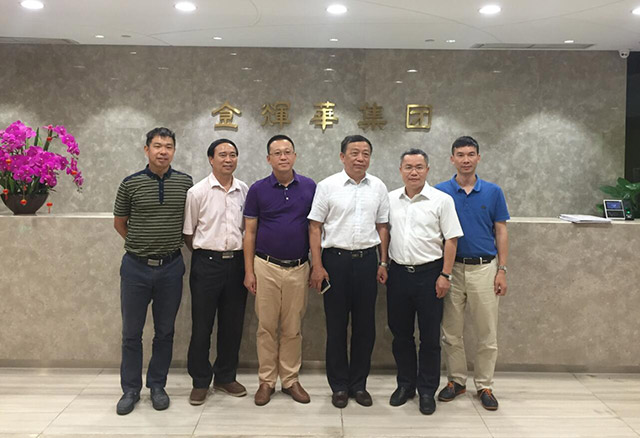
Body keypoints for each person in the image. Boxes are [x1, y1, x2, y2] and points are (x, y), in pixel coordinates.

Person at [113, 127, 193, 415]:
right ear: (146, 149)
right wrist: (141, 246)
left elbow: (190, 221)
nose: (163, 151)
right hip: (135, 268)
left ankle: (157, 385)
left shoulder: (185, 183)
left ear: (174, 151)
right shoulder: (130, 183)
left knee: (165, 331)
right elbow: (119, 222)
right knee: (131, 333)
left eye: (168, 146)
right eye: (157, 146)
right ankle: (130, 390)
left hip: (171, 267)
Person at [308, 134, 390, 409]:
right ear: (342, 156)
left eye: (365, 153)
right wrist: (317, 265)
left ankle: (359, 384)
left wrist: (383, 262)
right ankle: (339, 386)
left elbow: (382, 227)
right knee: (336, 326)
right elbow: (315, 227)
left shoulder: (378, 187)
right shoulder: (327, 186)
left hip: (367, 262)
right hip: (335, 262)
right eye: (354, 153)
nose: (360, 158)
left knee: (365, 327)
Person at [384, 148, 462, 415]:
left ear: (427, 170)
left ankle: (427, 390)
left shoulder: (442, 200)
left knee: (430, 337)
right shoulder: (390, 199)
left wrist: (445, 275)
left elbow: (451, 239)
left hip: (431, 275)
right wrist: (383, 264)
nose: (414, 172)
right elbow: (384, 233)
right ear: (400, 170)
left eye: (419, 167)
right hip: (398, 274)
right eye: (408, 167)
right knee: (401, 335)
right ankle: (405, 385)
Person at [435, 135, 510, 411]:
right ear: (452, 159)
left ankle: (484, 385)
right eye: (460, 155)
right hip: (451, 270)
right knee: (451, 331)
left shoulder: (493, 192)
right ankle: (456, 381)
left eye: (470, 154)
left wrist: (502, 270)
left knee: (486, 331)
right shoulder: (440, 192)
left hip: (484, 268)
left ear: (478, 157)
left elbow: (501, 231)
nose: (465, 160)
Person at [243, 135, 317, 406]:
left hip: (298, 267)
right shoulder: (258, 189)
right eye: (277, 153)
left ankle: (290, 379)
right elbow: (250, 232)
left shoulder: (309, 187)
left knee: (292, 327)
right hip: (265, 266)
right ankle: (266, 381)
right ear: (268, 159)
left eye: (287, 152)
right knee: (266, 327)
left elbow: (315, 229)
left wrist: (316, 265)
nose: (283, 157)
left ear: (295, 156)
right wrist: (249, 271)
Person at [182, 139, 249, 406]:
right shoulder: (197, 192)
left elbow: (248, 230)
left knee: (233, 325)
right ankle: (200, 381)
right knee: (202, 325)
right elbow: (189, 234)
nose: (228, 159)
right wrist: (209, 254)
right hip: (206, 264)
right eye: (222, 155)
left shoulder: (244, 190)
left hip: (237, 263)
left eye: (233, 154)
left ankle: (225, 376)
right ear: (211, 159)